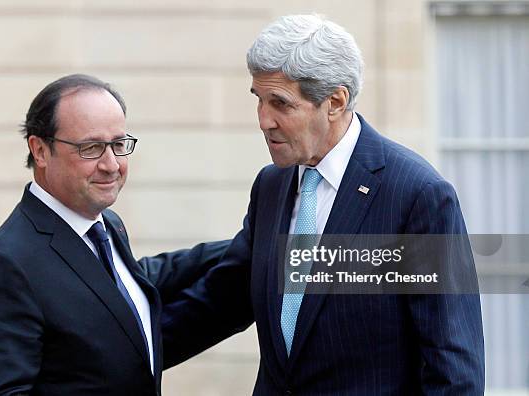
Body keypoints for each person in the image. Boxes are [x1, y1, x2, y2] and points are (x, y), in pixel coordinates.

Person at [162, 15, 485, 394]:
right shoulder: (272, 185)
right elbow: (219, 302)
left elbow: (453, 370)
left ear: (335, 101)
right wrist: (113, 358)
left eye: (280, 103)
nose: (264, 120)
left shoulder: (416, 196)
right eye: (259, 100)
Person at [0, 74, 229, 395]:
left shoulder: (106, 224)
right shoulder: (5, 265)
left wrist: (259, 242)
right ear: (40, 150)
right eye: (91, 148)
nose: (111, 164)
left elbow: (131, 287)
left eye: (119, 144)